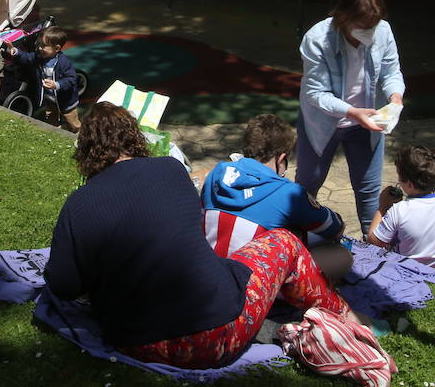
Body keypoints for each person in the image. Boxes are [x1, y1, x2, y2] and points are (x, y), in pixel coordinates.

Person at [45, 102, 365, 369]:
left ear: (85, 152)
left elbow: (63, 284)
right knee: (285, 243)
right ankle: (350, 323)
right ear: (134, 138)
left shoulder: (79, 204)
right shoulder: (170, 171)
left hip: (136, 344)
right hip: (217, 333)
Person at [295, 0, 405, 235]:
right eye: (363, 26)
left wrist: (395, 97)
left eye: (373, 25)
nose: (369, 32)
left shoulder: (383, 32)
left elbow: (391, 72)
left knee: (368, 191)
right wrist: (352, 112)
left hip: (366, 124)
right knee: (307, 186)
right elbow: (315, 93)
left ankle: (373, 250)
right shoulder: (317, 38)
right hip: (322, 124)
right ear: (343, 18)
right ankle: (296, 243)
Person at [201, 113, 346, 246]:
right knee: (339, 255)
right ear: (281, 158)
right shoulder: (289, 193)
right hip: (254, 272)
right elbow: (334, 229)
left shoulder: (216, 174)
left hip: (209, 268)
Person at [368, 145, 435, 274]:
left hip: (407, 270)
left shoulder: (399, 210)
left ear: (409, 184)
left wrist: (383, 207)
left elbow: (374, 241)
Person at [3, 26, 80, 130]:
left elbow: (71, 79)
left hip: (66, 100)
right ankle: (54, 131)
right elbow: (27, 57)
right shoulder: (39, 57)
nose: (40, 48)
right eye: (39, 44)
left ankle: (77, 134)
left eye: (44, 46)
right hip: (49, 99)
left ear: (56, 48)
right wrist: (15, 51)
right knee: (51, 119)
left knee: (72, 121)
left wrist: (57, 85)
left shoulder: (64, 63)